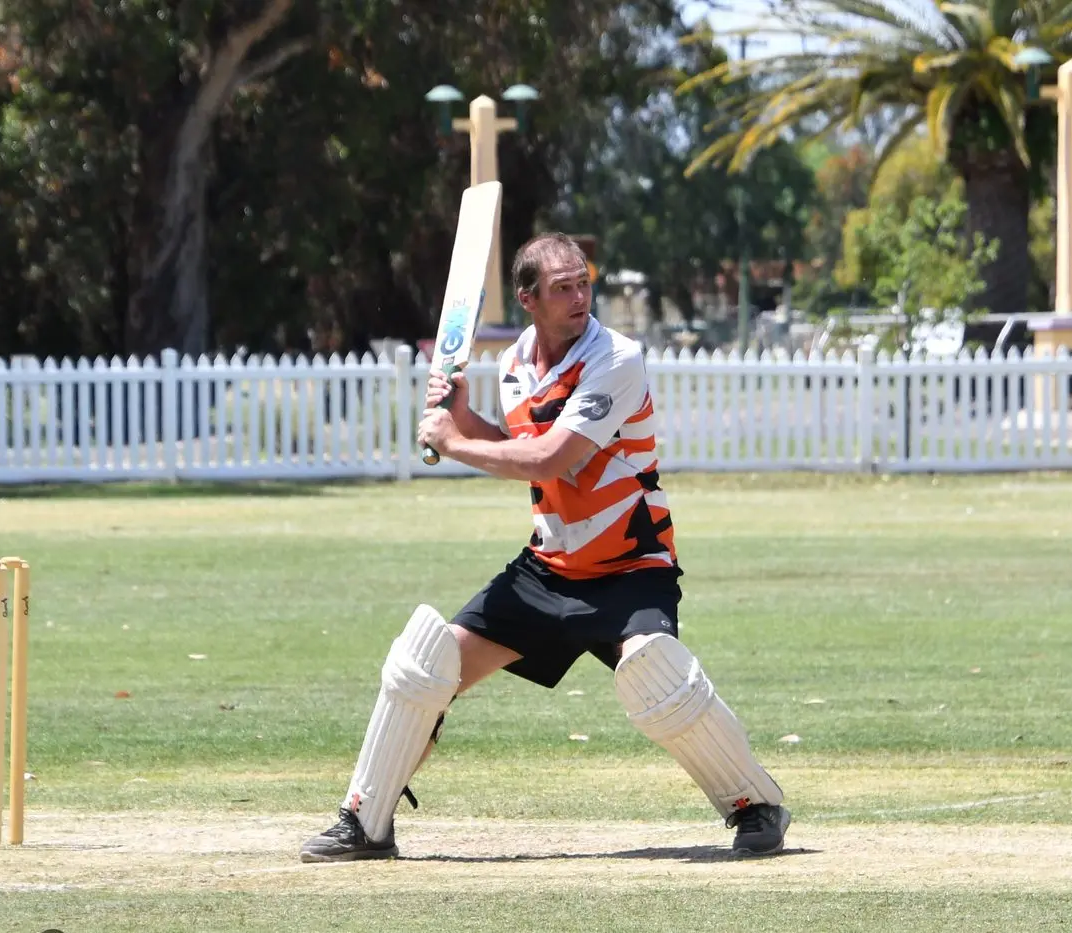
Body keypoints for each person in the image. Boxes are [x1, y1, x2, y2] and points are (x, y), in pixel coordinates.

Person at [299, 232, 789, 863]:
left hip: (629, 564)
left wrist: (454, 443)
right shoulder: (514, 366)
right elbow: (519, 445)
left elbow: (557, 457)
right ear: (528, 298)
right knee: (424, 666)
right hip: (547, 569)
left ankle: (756, 804)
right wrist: (465, 419)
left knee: (655, 672)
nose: (581, 295)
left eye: (584, 282)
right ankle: (364, 823)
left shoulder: (616, 358)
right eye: (563, 287)